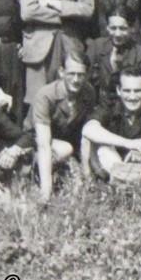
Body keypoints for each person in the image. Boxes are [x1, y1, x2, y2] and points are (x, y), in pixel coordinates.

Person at [30, 55, 97, 202]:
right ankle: (39, 176)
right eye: (71, 74)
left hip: (68, 143)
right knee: (64, 149)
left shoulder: (88, 92)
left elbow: (86, 133)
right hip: (37, 141)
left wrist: (86, 172)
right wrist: (45, 193)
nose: (76, 79)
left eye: (80, 75)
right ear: (61, 72)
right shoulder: (46, 95)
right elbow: (43, 144)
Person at [85, 9, 141, 111]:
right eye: (113, 28)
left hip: (128, 109)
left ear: (132, 28)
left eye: (123, 28)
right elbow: (86, 81)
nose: (117, 34)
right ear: (107, 28)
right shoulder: (96, 47)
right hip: (97, 108)